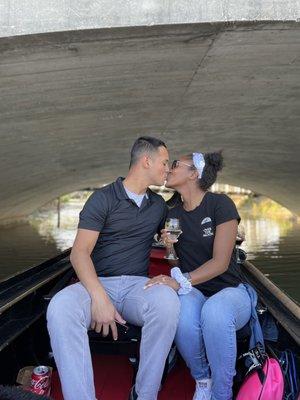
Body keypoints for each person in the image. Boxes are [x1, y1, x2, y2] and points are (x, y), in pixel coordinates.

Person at [46, 137, 180, 400]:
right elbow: (79, 253)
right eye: (164, 162)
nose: (167, 169)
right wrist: (99, 299)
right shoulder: (103, 198)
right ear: (146, 161)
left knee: (167, 302)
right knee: (60, 308)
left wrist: (169, 245)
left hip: (136, 287)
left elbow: (170, 244)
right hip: (97, 282)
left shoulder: (159, 206)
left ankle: (144, 394)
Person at [145, 151, 254, 400]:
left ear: (194, 173)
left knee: (214, 312)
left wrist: (178, 281)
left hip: (230, 291)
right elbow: (176, 262)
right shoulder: (172, 212)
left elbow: (220, 263)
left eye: (175, 164)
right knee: (180, 313)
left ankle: (221, 394)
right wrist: (170, 247)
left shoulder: (220, 204)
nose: (169, 169)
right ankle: (202, 379)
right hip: (194, 290)